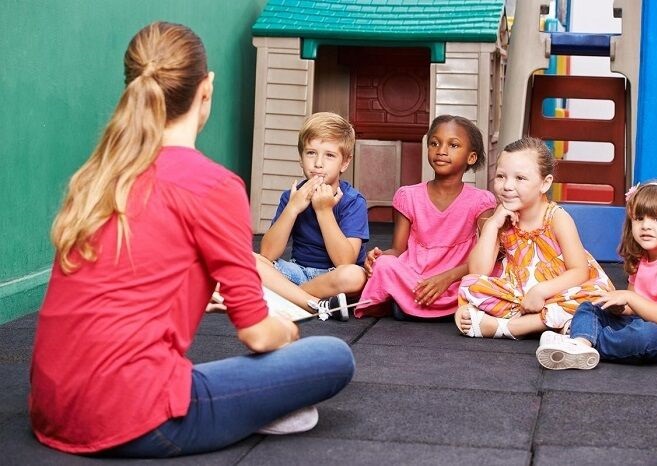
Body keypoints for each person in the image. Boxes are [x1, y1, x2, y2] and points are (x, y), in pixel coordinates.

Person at [29, 22, 354, 458]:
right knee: (333, 357)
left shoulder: (97, 176)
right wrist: (288, 340)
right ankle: (260, 408)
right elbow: (257, 334)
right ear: (207, 88)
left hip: (50, 409)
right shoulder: (213, 185)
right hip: (136, 420)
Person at [455, 137, 614, 339]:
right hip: (521, 295)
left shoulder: (557, 217)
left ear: (544, 183)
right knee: (469, 285)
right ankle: (555, 324)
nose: (507, 186)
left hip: (559, 290)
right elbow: (478, 271)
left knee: (592, 302)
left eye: (520, 178)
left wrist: (541, 291)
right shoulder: (501, 218)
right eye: (501, 176)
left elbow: (579, 271)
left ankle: (510, 327)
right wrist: (493, 225)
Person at [537, 181, 657, 369]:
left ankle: (585, 340)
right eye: (639, 218)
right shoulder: (642, 258)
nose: (646, 226)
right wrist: (619, 307)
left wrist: (628, 297)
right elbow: (634, 308)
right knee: (590, 306)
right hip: (645, 319)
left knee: (642, 335)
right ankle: (580, 343)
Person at [354, 115, 497, 320]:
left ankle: (408, 307)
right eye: (434, 143)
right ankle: (421, 306)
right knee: (384, 265)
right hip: (415, 282)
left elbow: (486, 258)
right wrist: (378, 257)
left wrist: (447, 278)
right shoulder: (408, 195)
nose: (441, 150)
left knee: (491, 271)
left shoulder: (482, 201)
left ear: (471, 157)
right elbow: (398, 250)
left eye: (453, 145)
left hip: (457, 281)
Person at [253, 112, 369, 321]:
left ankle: (290, 297)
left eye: (330, 155)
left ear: (345, 163)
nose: (318, 163)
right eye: (311, 153)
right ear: (301, 158)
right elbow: (268, 253)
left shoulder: (353, 201)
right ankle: (317, 305)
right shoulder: (291, 197)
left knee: (355, 275)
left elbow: (345, 260)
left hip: (331, 277)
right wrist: (292, 208)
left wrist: (324, 211)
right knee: (247, 260)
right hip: (295, 272)